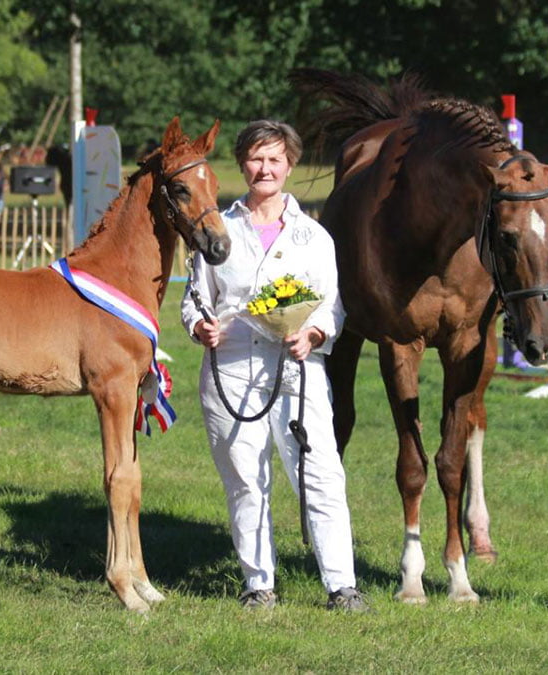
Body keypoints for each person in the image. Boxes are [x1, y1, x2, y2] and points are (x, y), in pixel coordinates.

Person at [180, 120, 367, 612]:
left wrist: (314, 333)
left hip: (297, 367)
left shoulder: (314, 236)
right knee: (246, 479)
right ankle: (258, 583)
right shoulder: (221, 229)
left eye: (275, 160)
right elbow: (195, 298)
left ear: (290, 166)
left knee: (320, 473)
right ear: (242, 164)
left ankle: (341, 585)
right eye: (256, 159)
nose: (265, 169)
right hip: (233, 366)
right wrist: (202, 326)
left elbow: (332, 305)